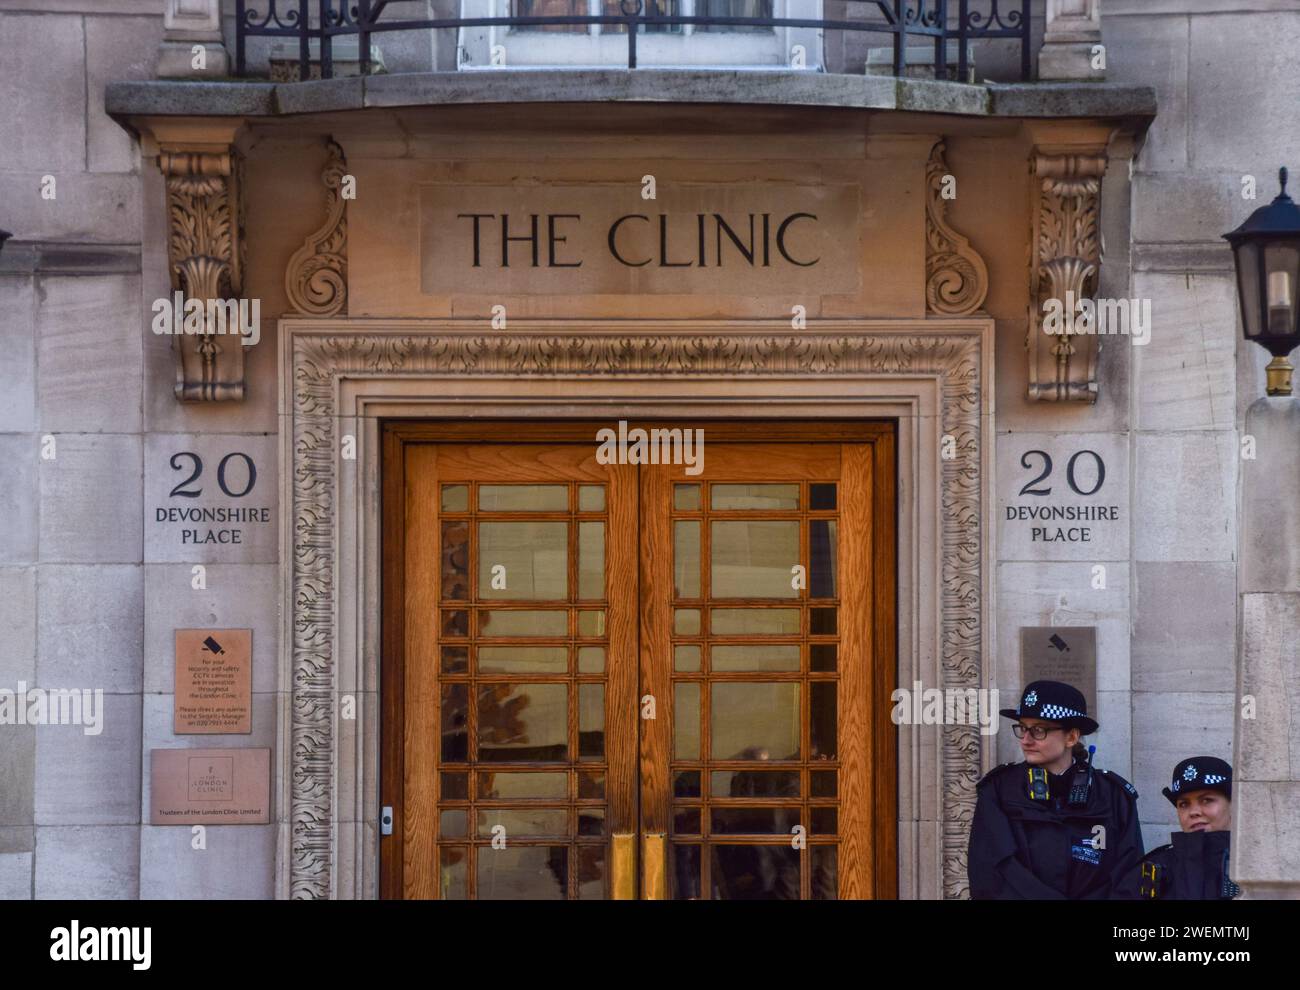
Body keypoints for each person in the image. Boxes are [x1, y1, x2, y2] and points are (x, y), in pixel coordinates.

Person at [968, 680, 1144, 899]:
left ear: (1071, 737)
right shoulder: (998, 791)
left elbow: (1129, 876)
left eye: (1038, 730)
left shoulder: (1114, 796)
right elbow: (990, 870)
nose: (1026, 740)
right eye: (1022, 728)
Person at [1114, 756, 1239, 900]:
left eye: (1206, 800)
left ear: (1233, 804)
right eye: (1184, 804)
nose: (1194, 812)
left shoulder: (1256, 864)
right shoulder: (1152, 869)